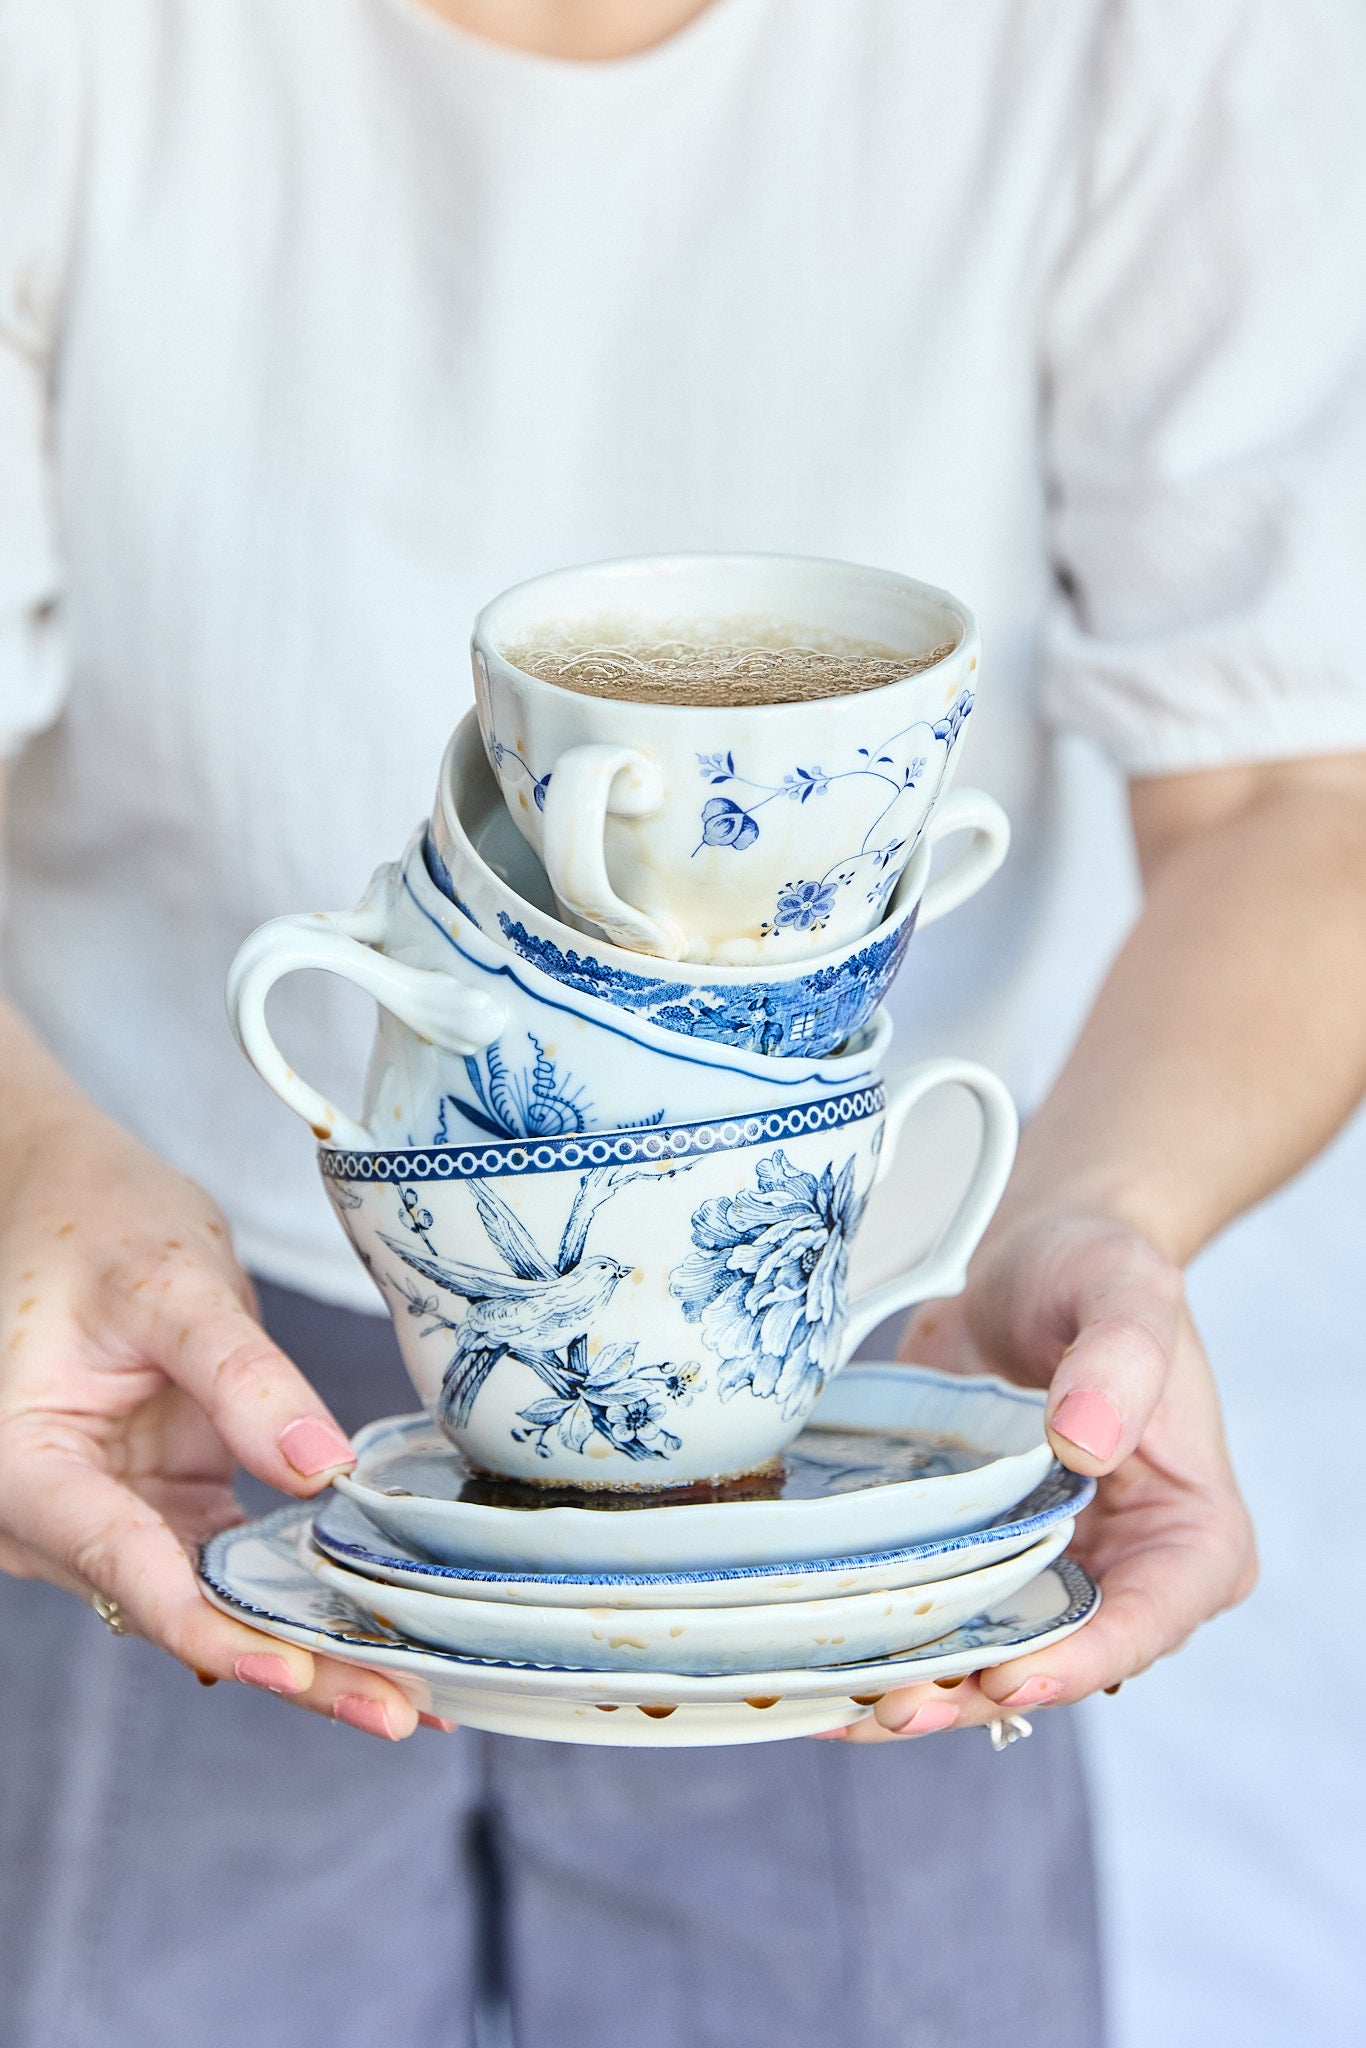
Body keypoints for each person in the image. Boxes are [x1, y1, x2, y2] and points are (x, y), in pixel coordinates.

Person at [1, 2, 1364, 2043]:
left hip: (860, 1390)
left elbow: (1287, 790)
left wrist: (1089, 1222)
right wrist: (28, 1180)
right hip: (148, 1372)